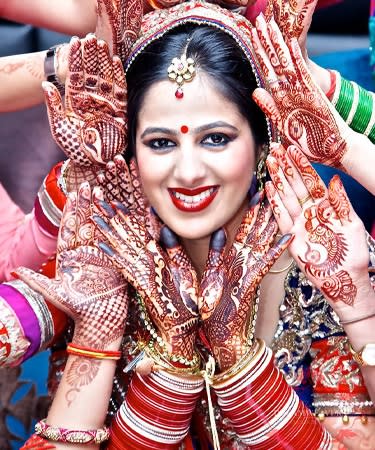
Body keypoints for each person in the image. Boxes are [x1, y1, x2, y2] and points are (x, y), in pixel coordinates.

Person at [1, 1, 371, 449]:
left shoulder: (323, 260)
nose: (188, 171)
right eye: (160, 143)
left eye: (216, 138)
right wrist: (100, 336)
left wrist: (243, 367)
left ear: (261, 143)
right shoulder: (101, 260)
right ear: (131, 154)